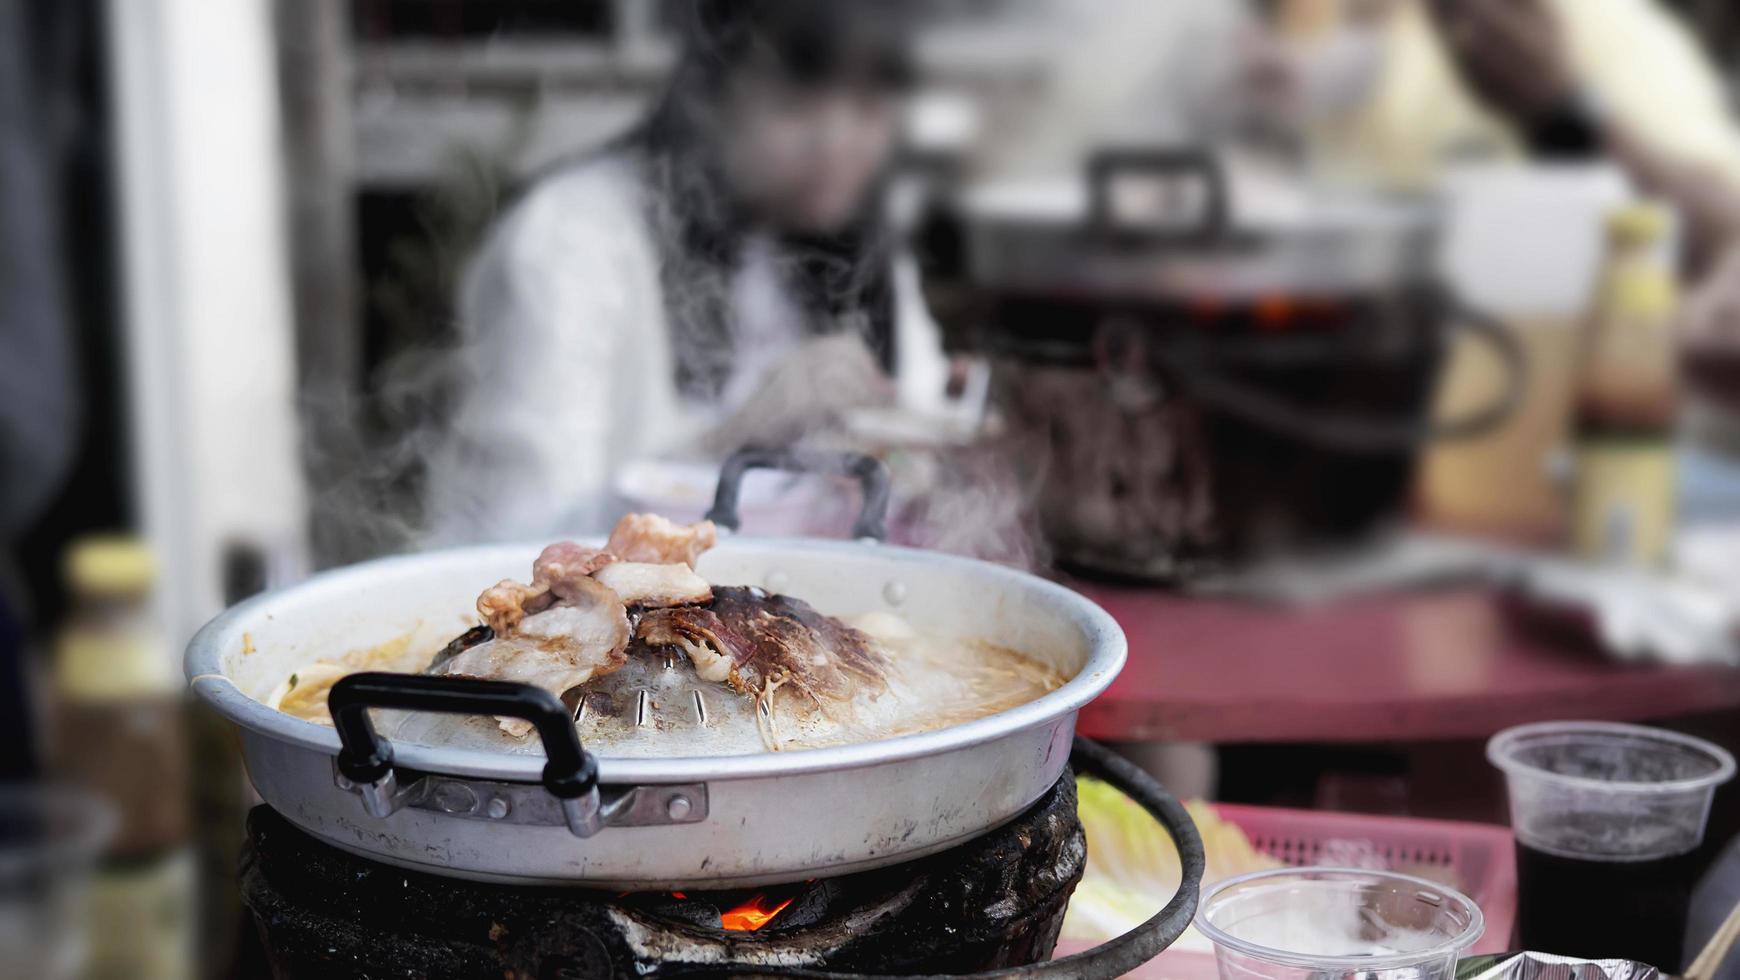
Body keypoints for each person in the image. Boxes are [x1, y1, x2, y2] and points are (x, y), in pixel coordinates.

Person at [427, 0, 947, 543]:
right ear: (708, 94)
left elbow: (924, 430)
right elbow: (515, 537)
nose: (839, 141)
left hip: (812, 614)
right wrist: (735, 441)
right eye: (798, 103)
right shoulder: (570, 238)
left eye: (869, 107)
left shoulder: (862, 248)